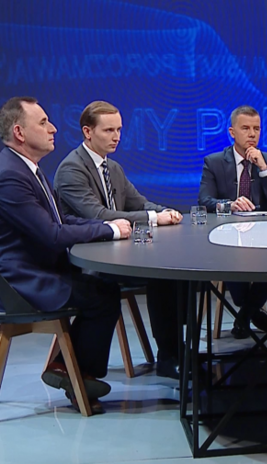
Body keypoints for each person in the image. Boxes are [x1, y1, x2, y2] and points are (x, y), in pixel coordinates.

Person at [0, 96, 132, 414]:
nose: (53, 129)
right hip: (18, 283)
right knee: (102, 295)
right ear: (20, 133)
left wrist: (105, 226)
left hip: (34, 270)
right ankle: (78, 376)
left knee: (103, 287)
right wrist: (110, 230)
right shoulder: (10, 176)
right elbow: (51, 236)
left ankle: (69, 369)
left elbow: (60, 222)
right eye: (43, 123)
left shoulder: (26, 169)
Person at [54, 101, 184, 379]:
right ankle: (170, 356)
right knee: (164, 276)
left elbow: (139, 202)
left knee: (174, 272)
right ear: (87, 132)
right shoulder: (71, 169)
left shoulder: (112, 167)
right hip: (90, 261)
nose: (117, 137)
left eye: (119, 130)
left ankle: (176, 352)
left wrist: (165, 211)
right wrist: (153, 218)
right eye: (109, 130)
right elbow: (99, 215)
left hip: (120, 252)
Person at [198, 105, 267, 339]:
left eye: (256, 129)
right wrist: (230, 205)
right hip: (227, 238)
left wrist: (264, 169)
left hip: (263, 240)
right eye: (246, 128)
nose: (252, 134)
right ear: (232, 132)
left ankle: (245, 315)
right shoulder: (214, 162)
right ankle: (251, 312)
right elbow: (204, 200)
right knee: (231, 261)